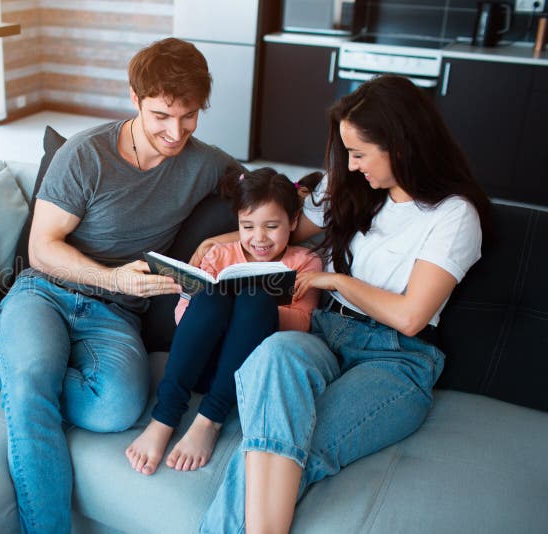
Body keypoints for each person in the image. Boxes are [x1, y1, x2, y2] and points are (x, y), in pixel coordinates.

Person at [0, 38, 242, 533]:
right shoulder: (86, 154)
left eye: (189, 116)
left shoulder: (204, 162)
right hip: (45, 292)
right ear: (135, 97)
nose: (176, 133)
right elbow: (43, 248)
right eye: (162, 116)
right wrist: (110, 276)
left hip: (114, 314)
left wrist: (230, 236)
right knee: (31, 393)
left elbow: (269, 203)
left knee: (118, 408)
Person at [196, 74, 491, 533]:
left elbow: (410, 315)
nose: (351, 166)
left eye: (359, 153)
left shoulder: (454, 215)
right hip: (328, 335)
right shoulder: (352, 188)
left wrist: (335, 279)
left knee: (284, 446)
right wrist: (221, 239)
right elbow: (282, 225)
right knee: (272, 356)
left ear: (401, 144)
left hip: (396, 358)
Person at [125, 168, 322, 476]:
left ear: (293, 222)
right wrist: (209, 298)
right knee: (212, 296)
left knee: (255, 301)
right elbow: (182, 318)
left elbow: (302, 323)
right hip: (199, 364)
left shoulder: (305, 262)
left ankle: (209, 421)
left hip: (242, 374)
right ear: (238, 224)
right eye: (248, 226)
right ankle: (164, 417)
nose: (259, 238)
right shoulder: (219, 255)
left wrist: (252, 301)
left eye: (272, 226)